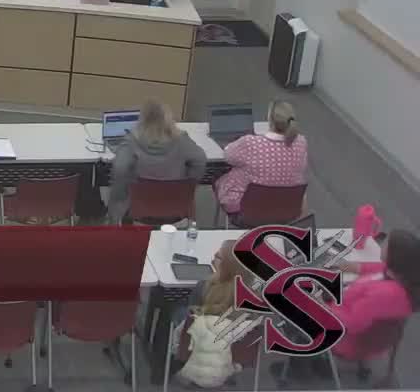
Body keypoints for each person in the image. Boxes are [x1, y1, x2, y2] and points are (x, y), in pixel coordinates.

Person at [282, 230, 420, 382]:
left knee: (289, 311)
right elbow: (371, 269)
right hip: (349, 311)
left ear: (395, 256)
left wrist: (320, 303)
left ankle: (299, 369)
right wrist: (341, 266)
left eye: (387, 243)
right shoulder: (400, 276)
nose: (382, 244)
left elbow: (349, 324)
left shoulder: (383, 296)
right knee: (315, 287)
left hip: (346, 339)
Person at [107, 99, 206, 223]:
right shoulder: (182, 140)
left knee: (118, 197)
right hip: (176, 209)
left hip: (138, 210)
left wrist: (120, 193)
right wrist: (188, 183)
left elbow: (120, 168)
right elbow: (200, 160)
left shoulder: (131, 141)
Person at [213, 101, 307, 220]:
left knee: (221, 176)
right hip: (286, 211)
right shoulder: (301, 142)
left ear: (270, 120)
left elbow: (228, 156)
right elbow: (302, 168)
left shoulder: (250, 143)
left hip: (245, 213)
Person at [175, 240, 250, 388]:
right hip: (232, 360)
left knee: (177, 311)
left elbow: (181, 334)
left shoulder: (204, 286)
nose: (214, 256)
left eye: (219, 256)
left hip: (195, 354)